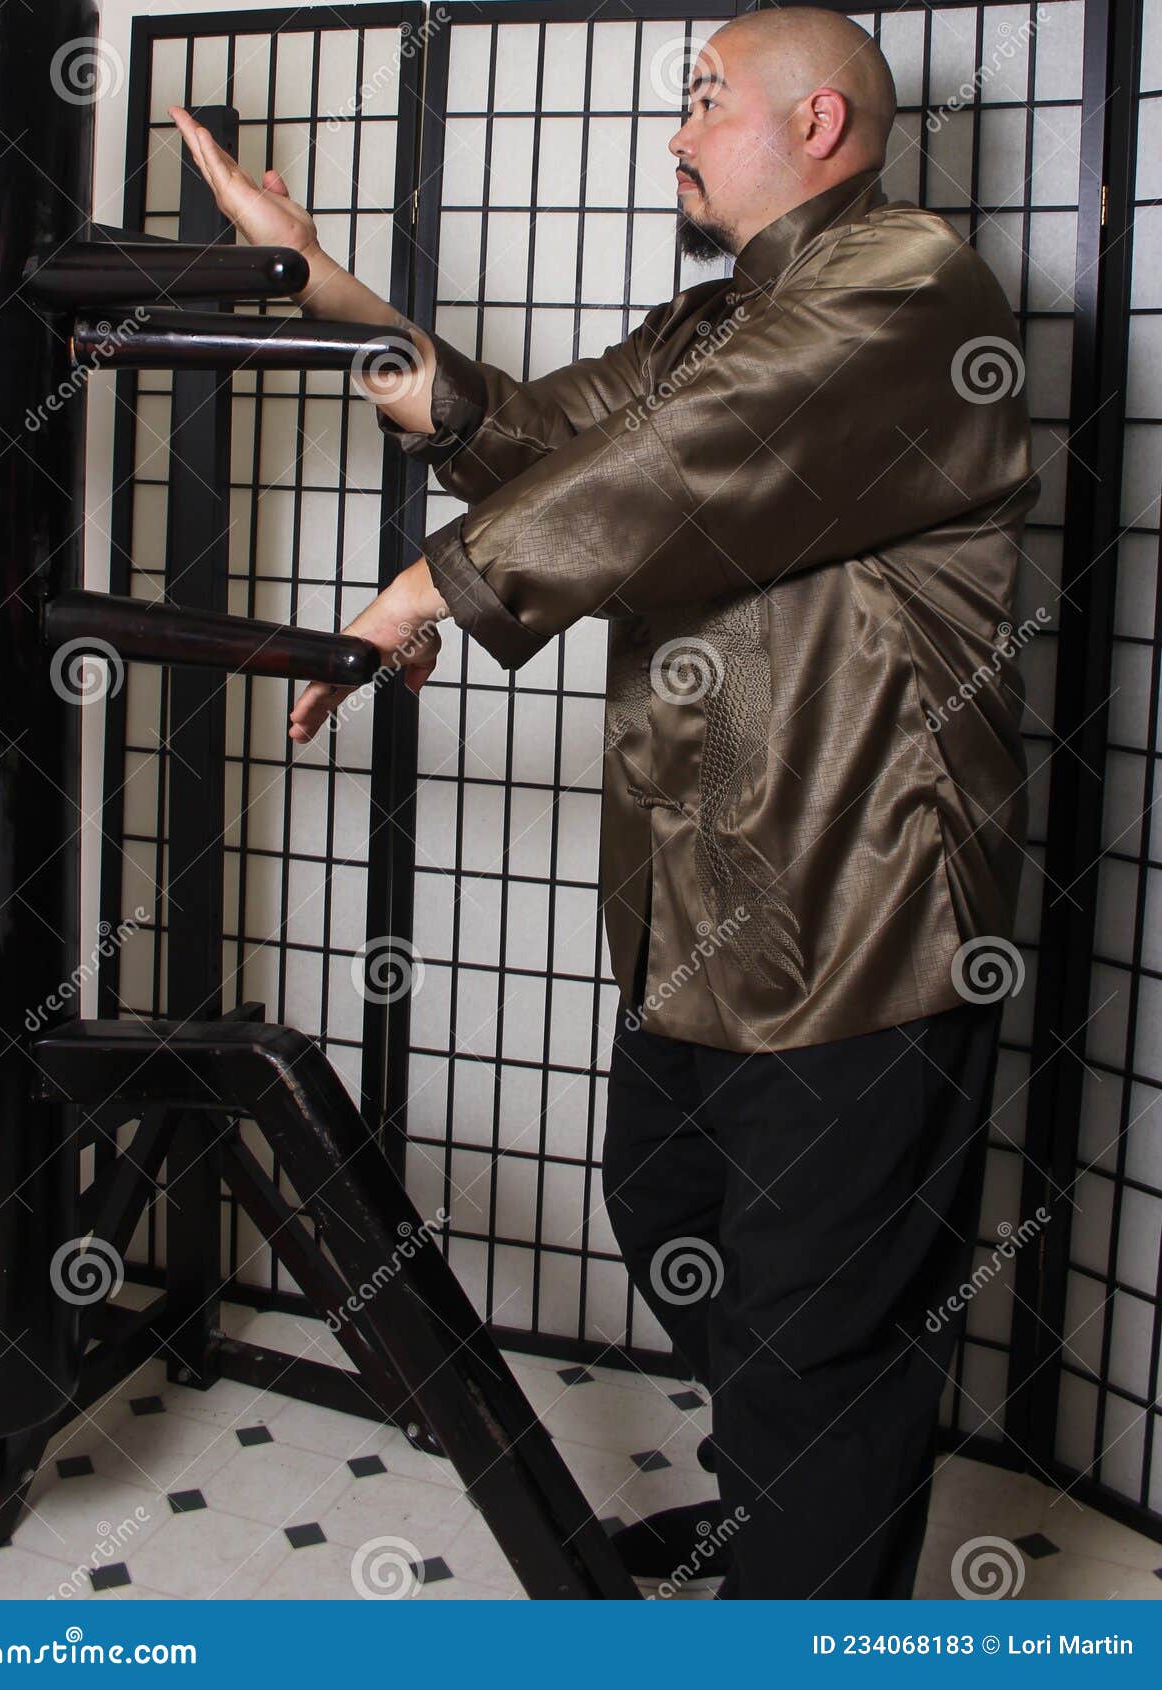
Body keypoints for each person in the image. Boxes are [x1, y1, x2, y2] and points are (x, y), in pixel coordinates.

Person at [170, 4, 1038, 1600]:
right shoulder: (709, 327)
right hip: (704, 910)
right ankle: (793, 1497)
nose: (674, 132)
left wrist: (429, 592)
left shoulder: (911, 290)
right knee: (673, 1203)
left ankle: (809, 1587)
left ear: (818, 125)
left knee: (816, 1312)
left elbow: (693, 460)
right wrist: (321, 285)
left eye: (703, 99)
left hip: (866, 906)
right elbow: (527, 438)